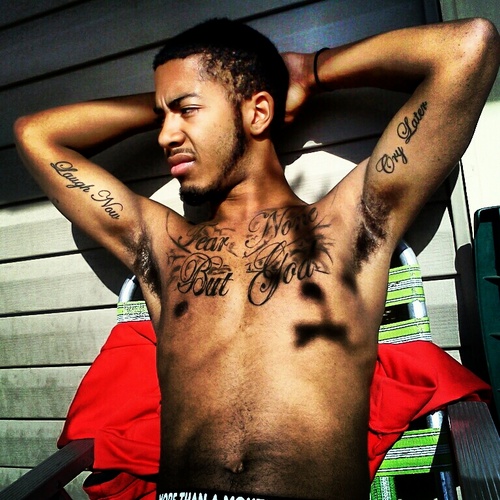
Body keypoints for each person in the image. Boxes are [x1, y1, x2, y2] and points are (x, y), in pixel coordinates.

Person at [14, 16, 500, 500]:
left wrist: (310, 72)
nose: (165, 136)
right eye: (164, 118)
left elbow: (468, 47)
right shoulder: (162, 246)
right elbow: (36, 134)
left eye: (187, 110)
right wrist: (173, 102)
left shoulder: (352, 223)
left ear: (259, 111)